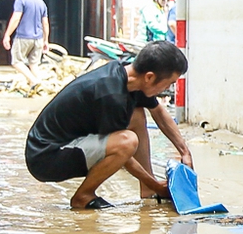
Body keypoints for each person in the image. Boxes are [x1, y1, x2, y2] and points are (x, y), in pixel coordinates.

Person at [24, 40, 195, 210]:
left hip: (64, 145)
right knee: (126, 142)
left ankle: (148, 190)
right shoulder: (111, 94)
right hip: (46, 158)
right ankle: (83, 196)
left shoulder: (129, 78)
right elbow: (125, 155)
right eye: (169, 83)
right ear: (149, 77)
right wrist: (159, 186)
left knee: (136, 115)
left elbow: (158, 112)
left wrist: (184, 152)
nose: (168, 88)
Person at [3, 0, 49, 80]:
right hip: (38, 39)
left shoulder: (21, 0)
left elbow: (16, 18)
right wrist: (46, 40)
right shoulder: (41, 2)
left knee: (16, 62)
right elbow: (45, 23)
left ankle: (33, 82)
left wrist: (7, 35)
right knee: (34, 64)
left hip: (23, 37)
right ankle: (41, 85)